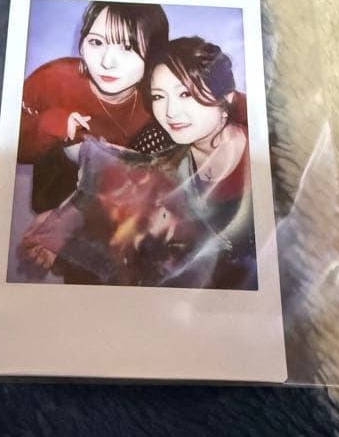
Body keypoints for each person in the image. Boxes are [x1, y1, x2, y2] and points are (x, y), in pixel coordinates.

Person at [20, 37, 257, 290]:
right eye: (158, 96)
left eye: (185, 94)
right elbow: (114, 193)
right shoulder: (157, 143)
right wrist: (60, 226)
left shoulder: (265, 155)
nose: (170, 112)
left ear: (226, 97)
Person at [18, 1, 169, 212]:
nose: (107, 62)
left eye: (127, 47)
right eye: (96, 42)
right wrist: (52, 123)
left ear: (155, 54)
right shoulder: (52, 79)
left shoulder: (161, 96)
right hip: (56, 202)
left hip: (123, 210)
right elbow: (10, 145)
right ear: (82, 43)